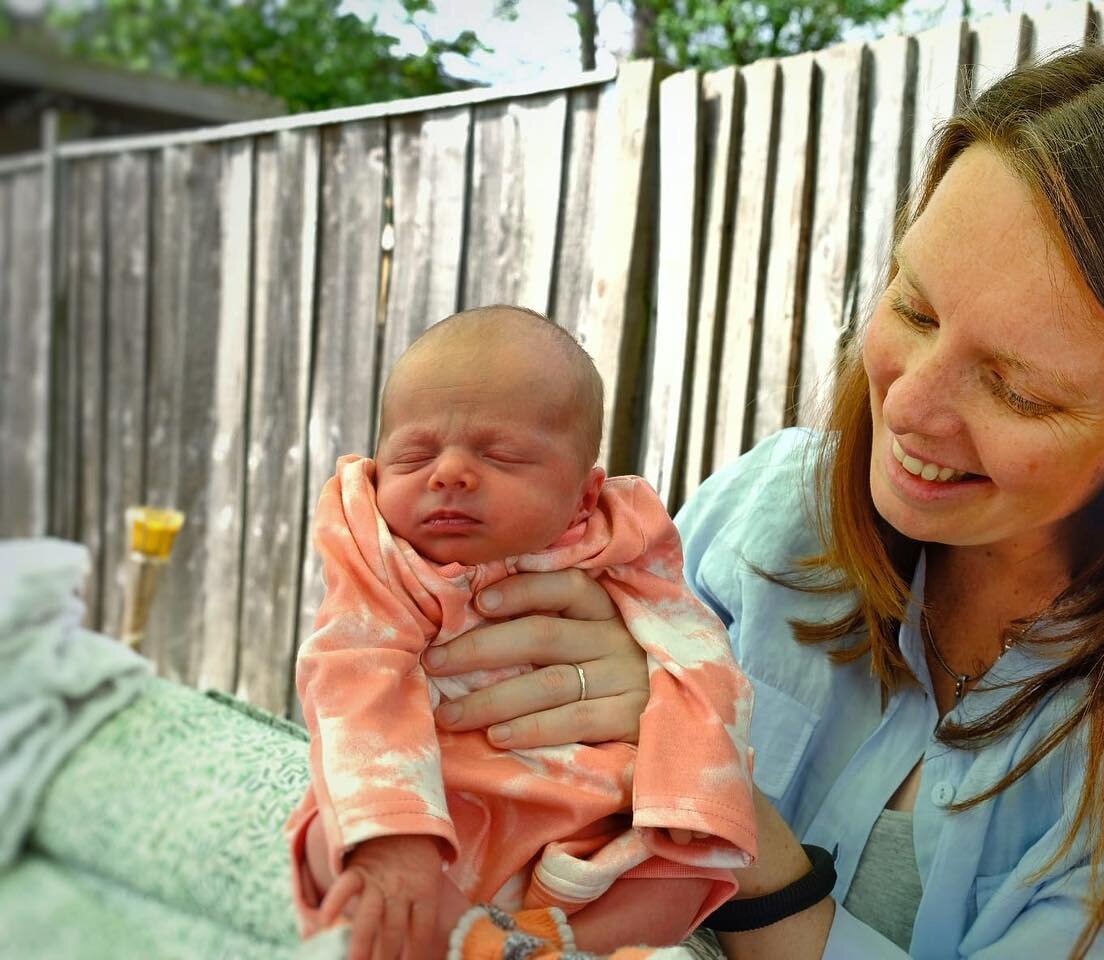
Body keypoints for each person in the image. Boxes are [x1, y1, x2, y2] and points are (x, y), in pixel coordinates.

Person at [424, 37, 1104, 959]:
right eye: (913, 306)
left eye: (1016, 388)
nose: (908, 405)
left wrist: (731, 832)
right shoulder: (776, 511)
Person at [286, 305, 757, 960]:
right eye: (413, 455)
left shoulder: (619, 544)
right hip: (441, 808)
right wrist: (394, 839)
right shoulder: (382, 555)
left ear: (585, 497)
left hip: (595, 819)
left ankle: (550, 946)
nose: (447, 472)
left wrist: (686, 795)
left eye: (501, 456)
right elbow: (353, 674)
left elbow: (698, 660)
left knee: (684, 875)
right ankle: (466, 936)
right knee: (333, 845)